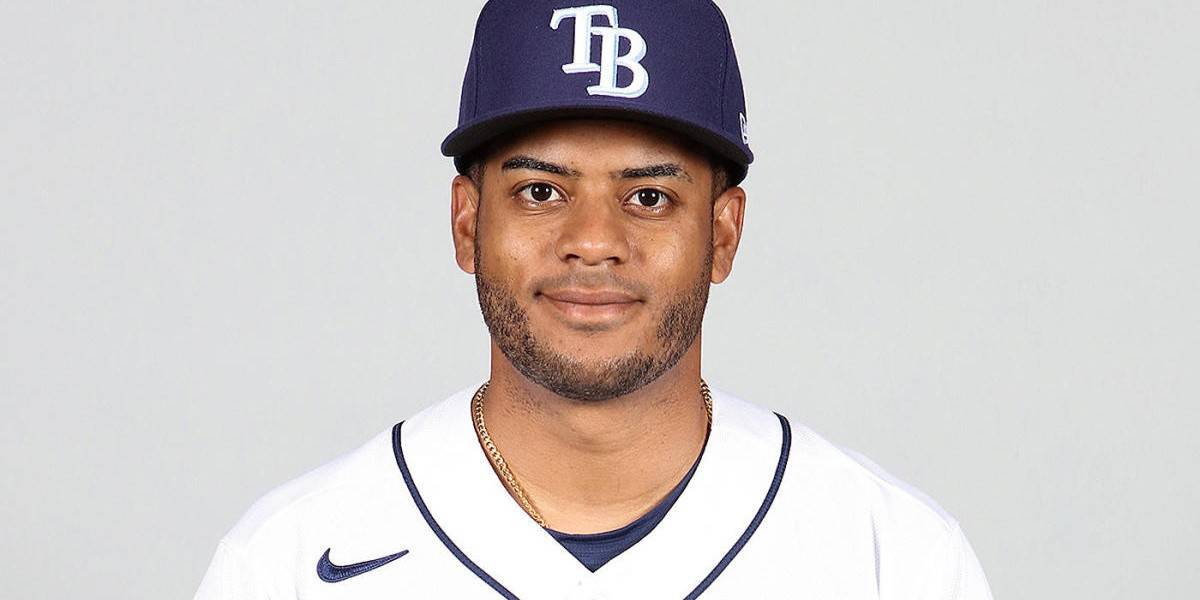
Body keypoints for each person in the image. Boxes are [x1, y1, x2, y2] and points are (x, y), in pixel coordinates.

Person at [195, 1, 994, 598]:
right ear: (467, 223)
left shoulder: (892, 560)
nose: (592, 241)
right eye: (541, 191)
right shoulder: (288, 562)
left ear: (723, 234)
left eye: (648, 197)